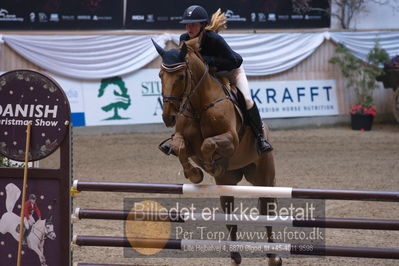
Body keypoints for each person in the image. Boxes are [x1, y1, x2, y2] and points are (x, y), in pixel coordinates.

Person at [160, 5, 273, 154]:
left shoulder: (214, 39)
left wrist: (207, 61)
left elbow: (236, 60)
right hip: (208, 76)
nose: (189, 28)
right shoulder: (184, 39)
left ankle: (260, 138)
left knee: (247, 100)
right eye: (187, 25)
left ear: (202, 25)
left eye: (193, 25)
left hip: (231, 72)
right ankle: (178, 137)